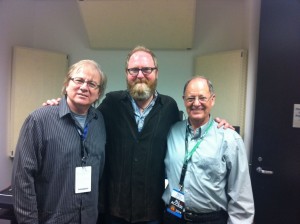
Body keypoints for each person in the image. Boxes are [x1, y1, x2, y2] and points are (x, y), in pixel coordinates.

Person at [43, 46, 232, 224]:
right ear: (127, 74)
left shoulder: (170, 108)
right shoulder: (111, 103)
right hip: (113, 213)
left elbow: (188, 131)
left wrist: (213, 125)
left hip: (152, 213)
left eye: (146, 69)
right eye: (134, 70)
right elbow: (84, 115)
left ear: (156, 72)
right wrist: (63, 104)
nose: (140, 75)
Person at [12, 59, 107, 224]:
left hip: (88, 218)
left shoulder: (99, 122)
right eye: (79, 80)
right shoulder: (39, 120)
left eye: (92, 84)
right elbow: (22, 179)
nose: (84, 87)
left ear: (99, 93)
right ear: (67, 84)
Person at [162, 76, 254, 224]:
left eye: (202, 98)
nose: (196, 103)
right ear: (184, 100)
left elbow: (241, 195)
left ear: (212, 99)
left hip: (210, 219)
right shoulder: (172, 132)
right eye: (191, 98)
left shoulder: (229, 139)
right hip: (173, 216)